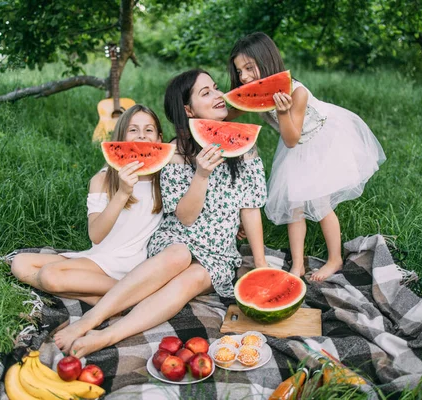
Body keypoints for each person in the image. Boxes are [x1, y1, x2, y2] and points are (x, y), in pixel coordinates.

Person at [53, 69, 268, 357]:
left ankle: (107, 336)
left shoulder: (246, 148)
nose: (218, 95)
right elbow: (186, 217)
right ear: (188, 110)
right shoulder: (176, 152)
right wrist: (201, 175)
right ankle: (91, 320)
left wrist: (261, 264)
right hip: (175, 238)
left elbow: (250, 210)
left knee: (191, 279)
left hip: (219, 253)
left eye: (215, 88)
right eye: (206, 93)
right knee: (179, 254)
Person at [227, 32, 386, 281]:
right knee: (295, 206)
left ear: (267, 61)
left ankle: (335, 258)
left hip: (319, 141)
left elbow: (291, 138)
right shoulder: (254, 92)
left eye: (249, 68)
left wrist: (281, 112)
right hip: (297, 144)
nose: (244, 76)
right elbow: (230, 111)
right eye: (239, 71)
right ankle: (298, 265)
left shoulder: (296, 93)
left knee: (321, 204)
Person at [11, 105, 164, 305]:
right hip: (99, 257)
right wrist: (123, 193)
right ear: (119, 139)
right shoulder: (102, 180)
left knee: (50, 276)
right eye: (133, 130)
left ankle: (126, 291)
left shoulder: (164, 180)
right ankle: (115, 299)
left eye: (149, 130)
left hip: (129, 265)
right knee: (20, 263)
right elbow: (96, 235)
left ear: (160, 139)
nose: (142, 136)